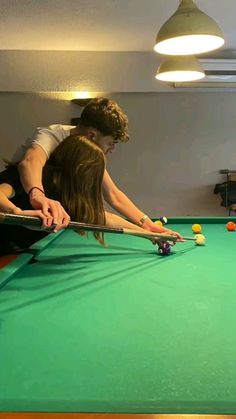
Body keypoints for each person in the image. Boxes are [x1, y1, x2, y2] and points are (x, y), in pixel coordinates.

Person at [12, 97, 182, 239]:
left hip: (39, 225)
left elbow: (113, 195)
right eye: (110, 143)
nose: (112, 150)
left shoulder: (87, 155)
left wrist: (148, 226)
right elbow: (30, 162)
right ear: (91, 136)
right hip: (12, 218)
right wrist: (38, 196)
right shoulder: (52, 135)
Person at [0, 134, 171, 257]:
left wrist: (150, 234)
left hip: (15, 251)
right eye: (91, 174)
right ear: (79, 169)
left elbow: (103, 218)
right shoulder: (35, 178)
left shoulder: (69, 195)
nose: (91, 182)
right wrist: (16, 213)